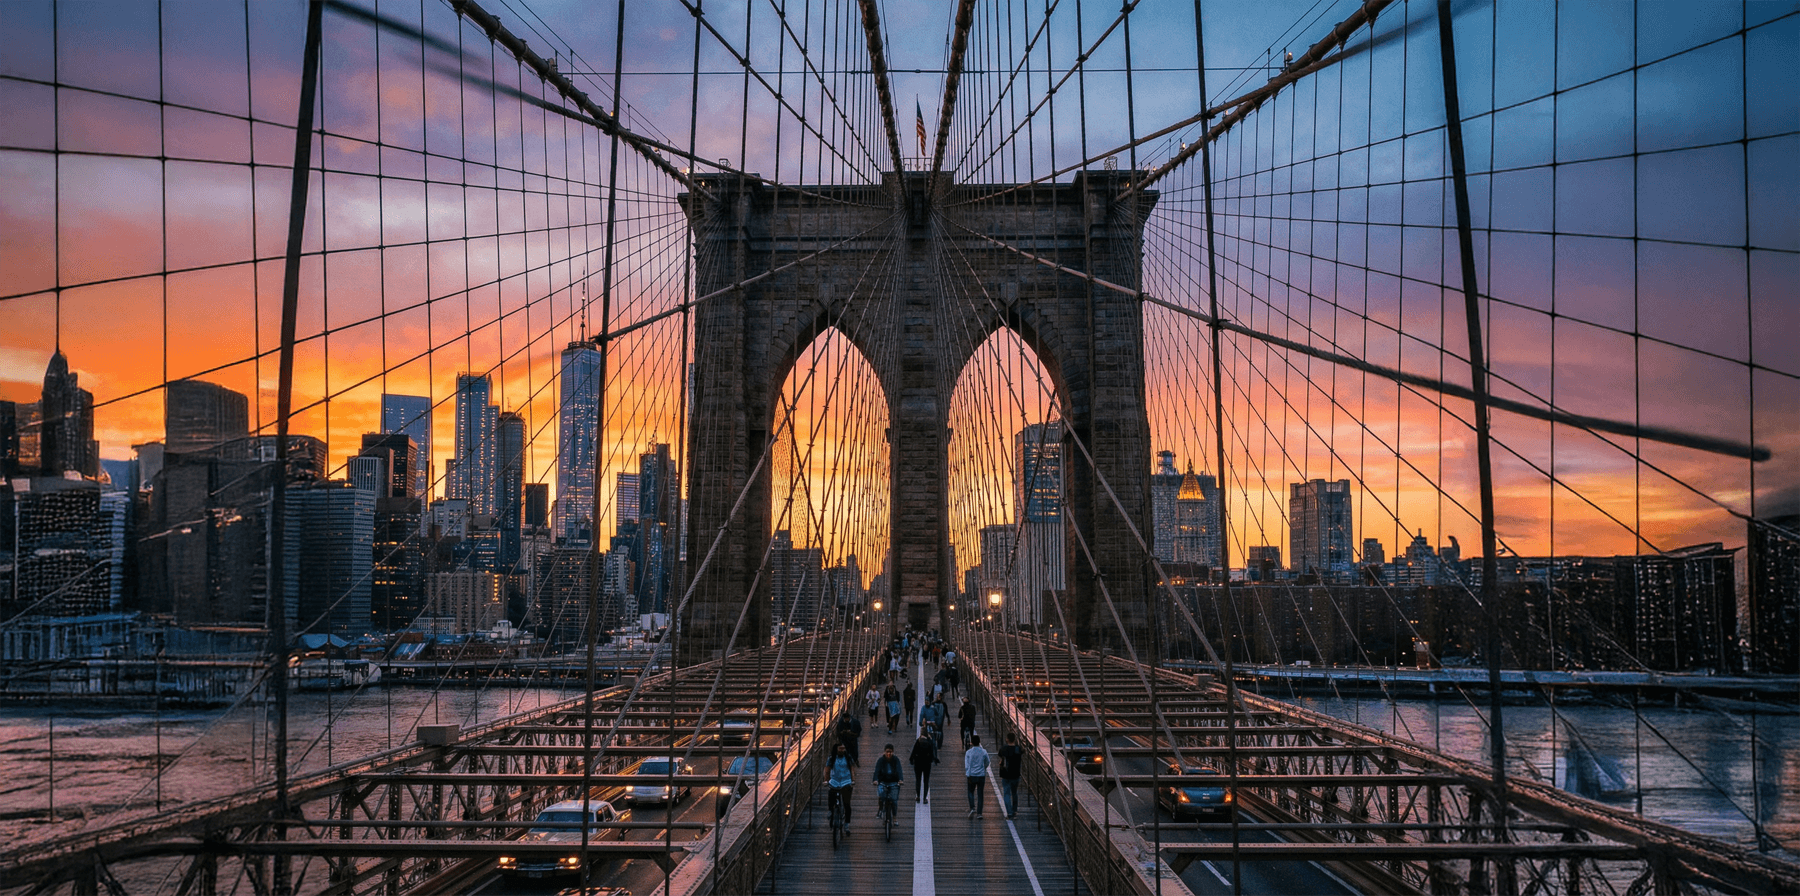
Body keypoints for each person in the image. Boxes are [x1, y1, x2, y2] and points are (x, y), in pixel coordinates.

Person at [827, 742, 856, 828]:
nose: (842, 750)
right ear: (836, 749)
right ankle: (830, 810)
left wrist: (853, 780)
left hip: (846, 781)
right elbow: (827, 769)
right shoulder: (832, 758)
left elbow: (852, 769)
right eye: (840, 749)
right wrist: (826, 780)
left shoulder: (848, 758)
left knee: (847, 803)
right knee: (831, 795)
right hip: (835, 780)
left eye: (843, 749)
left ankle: (847, 822)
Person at [873, 742, 904, 820]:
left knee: (894, 801)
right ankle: (880, 809)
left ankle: (894, 817)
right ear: (884, 752)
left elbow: (899, 770)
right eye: (887, 752)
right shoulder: (881, 760)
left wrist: (900, 780)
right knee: (881, 796)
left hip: (894, 782)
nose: (889, 753)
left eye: (890, 752)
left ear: (893, 752)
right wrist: (875, 780)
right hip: (883, 782)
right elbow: (877, 771)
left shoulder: (896, 760)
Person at [997, 732, 1024, 819]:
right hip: (1016, 774)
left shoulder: (1004, 748)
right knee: (1014, 793)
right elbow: (1023, 751)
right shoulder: (1018, 749)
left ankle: (1009, 813)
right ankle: (1014, 810)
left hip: (1006, 774)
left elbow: (1000, 755)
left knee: (1007, 793)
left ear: (1007, 739)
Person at [963, 733, 990, 818]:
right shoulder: (983, 752)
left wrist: (968, 773)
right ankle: (979, 813)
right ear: (979, 742)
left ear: (971, 743)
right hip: (981, 775)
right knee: (980, 794)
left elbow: (967, 765)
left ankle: (972, 807)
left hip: (972, 775)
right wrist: (983, 768)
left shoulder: (968, 752)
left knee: (970, 791)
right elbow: (987, 762)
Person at [909, 729, 938, 803]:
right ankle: (925, 798)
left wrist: (911, 760)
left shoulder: (918, 741)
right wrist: (933, 760)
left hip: (918, 763)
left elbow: (913, 752)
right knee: (926, 780)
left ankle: (918, 796)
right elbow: (932, 752)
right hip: (927, 764)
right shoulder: (929, 742)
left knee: (918, 780)